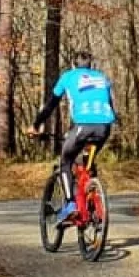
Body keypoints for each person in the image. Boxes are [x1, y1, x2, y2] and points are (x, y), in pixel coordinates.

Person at [35, 53, 116, 221]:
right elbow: (109, 105)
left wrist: (36, 125)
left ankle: (71, 204)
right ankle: (92, 194)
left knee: (66, 160)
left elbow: (51, 105)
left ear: (73, 65)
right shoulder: (102, 78)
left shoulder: (68, 77)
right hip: (105, 127)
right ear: (91, 65)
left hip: (83, 126)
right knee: (88, 163)